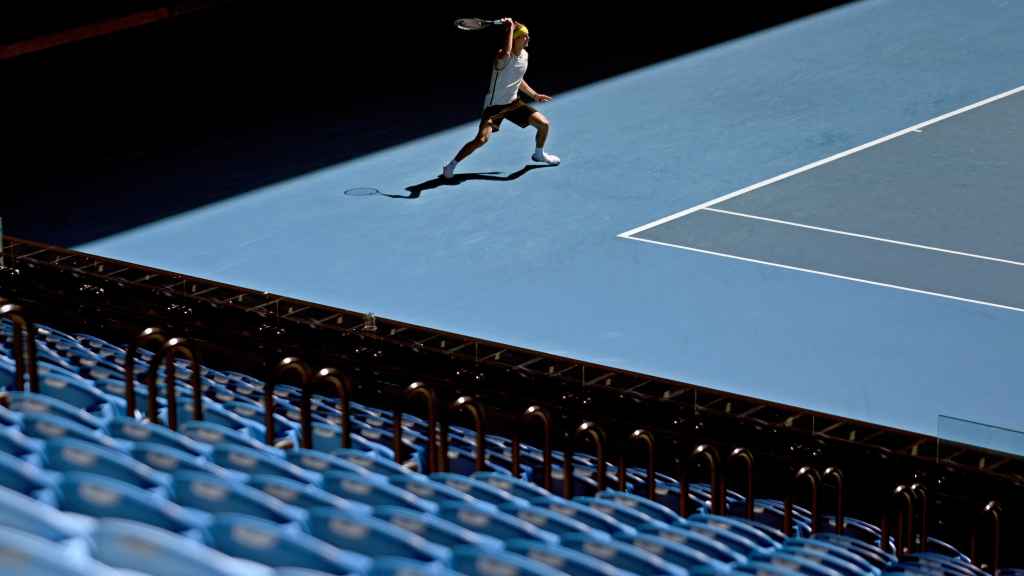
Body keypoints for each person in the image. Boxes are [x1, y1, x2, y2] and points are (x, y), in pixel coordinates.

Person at [443, 18, 560, 179]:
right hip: (494, 108)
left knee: (544, 124)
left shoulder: (525, 56)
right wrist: (511, 27)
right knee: (482, 139)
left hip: (513, 103)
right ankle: (451, 165)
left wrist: (534, 95)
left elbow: (517, 80)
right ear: (516, 38)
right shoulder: (502, 56)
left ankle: (539, 154)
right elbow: (506, 53)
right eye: (525, 35)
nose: (528, 38)